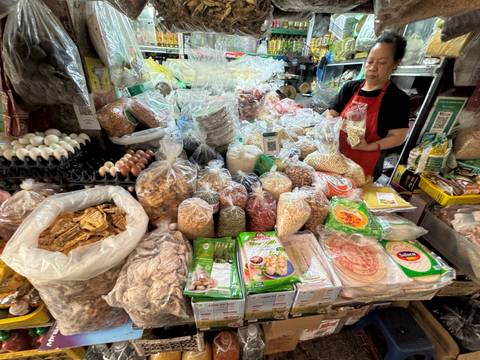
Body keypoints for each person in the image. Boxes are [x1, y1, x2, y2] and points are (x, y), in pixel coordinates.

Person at [327, 32, 410, 179]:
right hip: (334, 160)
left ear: (395, 64)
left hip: (365, 167)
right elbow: (331, 114)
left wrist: (369, 146)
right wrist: (332, 127)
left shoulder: (397, 99)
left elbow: (398, 137)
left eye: (382, 62)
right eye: (370, 61)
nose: (373, 68)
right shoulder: (350, 88)